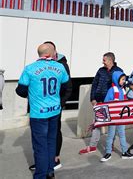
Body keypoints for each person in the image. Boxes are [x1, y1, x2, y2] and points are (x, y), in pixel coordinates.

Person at [16, 43, 69, 179]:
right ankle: (50, 171)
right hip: (55, 110)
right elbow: (65, 87)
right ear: (52, 54)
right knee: (51, 142)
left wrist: (33, 92)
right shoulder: (60, 67)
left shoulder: (30, 69)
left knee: (40, 146)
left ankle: (40, 175)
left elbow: (20, 91)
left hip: (38, 113)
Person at [29, 41, 73, 171]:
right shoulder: (41, 65)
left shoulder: (61, 65)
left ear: (54, 52)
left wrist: (61, 103)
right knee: (43, 138)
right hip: (41, 108)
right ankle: (43, 163)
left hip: (55, 106)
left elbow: (68, 87)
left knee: (53, 134)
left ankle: (55, 159)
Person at [79, 52, 123, 154]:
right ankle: (92, 146)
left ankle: (110, 144)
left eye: (104, 60)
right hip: (99, 102)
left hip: (112, 103)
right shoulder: (101, 70)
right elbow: (94, 84)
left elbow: (121, 87)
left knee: (112, 125)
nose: (102, 62)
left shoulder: (118, 71)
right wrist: (92, 98)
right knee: (97, 123)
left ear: (110, 60)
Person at [101, 71, 133, 162]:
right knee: (111, 135)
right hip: (113, 117)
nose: (123, 81)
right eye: (122, 79)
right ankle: (108, 152)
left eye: (124, 79)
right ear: (117, 79)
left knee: (122, 135)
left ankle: (124, 152)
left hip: (121, 117)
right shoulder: (111, 90)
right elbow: (105, 102)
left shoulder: (123, 90)